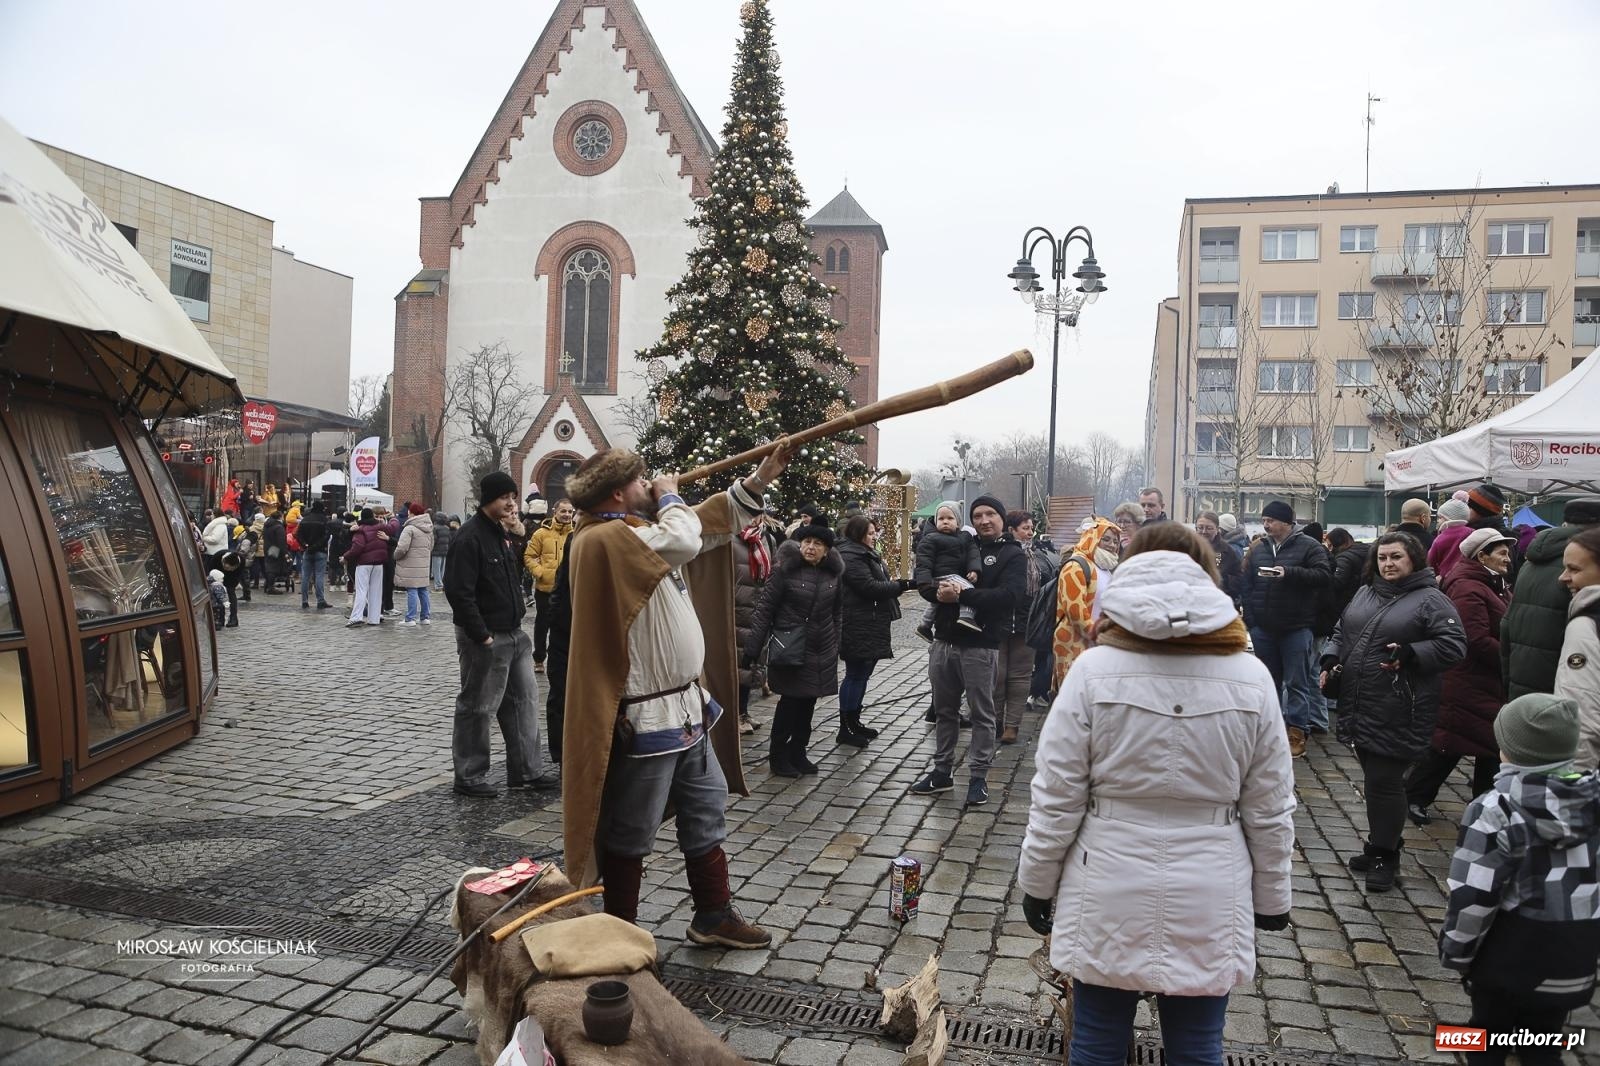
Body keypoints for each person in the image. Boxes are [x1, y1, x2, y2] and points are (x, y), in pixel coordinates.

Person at [1018, 524, 1295, 1066]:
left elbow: (1056, 793)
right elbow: (1270, 805)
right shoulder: (1251, 676)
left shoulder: (1094, 670)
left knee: (1097, 1040)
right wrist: (1273, 898)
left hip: (1108, 878)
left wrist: (1037, 882)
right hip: (1212, 881)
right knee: (1197, 1046)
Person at [562, 445, 793, 951]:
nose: (653, 485)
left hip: (688, 705)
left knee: (705, 808)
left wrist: (755, 482)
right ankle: (619, 931)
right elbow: (685, 537)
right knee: (632, 829)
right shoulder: (602, 539)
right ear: (621, 492)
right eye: (643, 481)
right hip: (645, 712)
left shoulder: (639, 533)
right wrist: (667, 496)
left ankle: (713, 914)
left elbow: (704, 524)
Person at [1439, 693, 1600, 1066]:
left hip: (1509, 959)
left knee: (1483, 1039)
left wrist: (1457, 951)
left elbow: (1473, 895)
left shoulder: (1495, 810)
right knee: (1542, 1043)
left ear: (1509, 751)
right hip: (1574, 957)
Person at [1322, 532, 1466, 891]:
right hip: (1360, 700)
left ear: (1413, 560)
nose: (1388, 564)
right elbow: (1342, 629)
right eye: (1383, 557)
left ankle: (1386, 854)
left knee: (1384, 783)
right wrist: (1330, 656)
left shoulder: (1431, 599)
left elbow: (1454, 645)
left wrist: (1412, 653)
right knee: (1375, 781)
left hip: (1402, 704)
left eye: (1396, 557)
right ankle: (1381, 843)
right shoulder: (1366, 591)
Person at [910, 494, 1027, 807]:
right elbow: (928, 580)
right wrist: (937, 592)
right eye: (978, 515)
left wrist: (963, 597)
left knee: (981, 714)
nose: (984, 520)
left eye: (991, 514)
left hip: (981, 644)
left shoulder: (1011, 554)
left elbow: (1011, 596)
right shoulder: (958, 542)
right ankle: (942, 771)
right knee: (944, 712)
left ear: (1002, 519)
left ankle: (978, 777)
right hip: (944, 641)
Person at [443, 472, 547, 798]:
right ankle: (470, 777)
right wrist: (482, 636)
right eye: (505, 497)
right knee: (477, 707)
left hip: (514, 634)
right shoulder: (469, 537)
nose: (512, 503)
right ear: (489, 499)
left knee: (525, 703)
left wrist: (518, 534)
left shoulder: (500, 533)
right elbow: (458, 592)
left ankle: (526, 772)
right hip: (486, 637)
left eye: (513, 497)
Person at [1405, 529, 1516, 824]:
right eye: (1501, 552)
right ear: (1482, 555)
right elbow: (1474, 638)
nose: (1508, 558)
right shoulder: (1469, 586)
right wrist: (1511, 658)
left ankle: (1482, 805)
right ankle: (1414, 795)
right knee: (1449, 743)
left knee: (1486, 744)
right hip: (1467, 678)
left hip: (1485, 680)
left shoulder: (1494, 583)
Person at [746, 521, 844, 775]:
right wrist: (753, 648)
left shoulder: (833, 574)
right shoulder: (783, 571)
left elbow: (837, 612)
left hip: (821, 648)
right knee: (790, 703)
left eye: (818, 544)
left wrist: (835, 642)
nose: (811, 547)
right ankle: (778, 757)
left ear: (827, 550)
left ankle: (798, 753)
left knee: (808, 704)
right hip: (790, 646)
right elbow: (765, 609)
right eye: (807, 542)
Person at [1240, 500, 1331, 760]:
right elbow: (1247, 582)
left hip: (1296, 627)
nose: (1266, 525)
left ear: (1287, 523)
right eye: (1264, 520)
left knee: (1297, 682)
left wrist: (1288, 573)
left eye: (1271, 520)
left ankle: (1296, 732)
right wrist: (1253, 619)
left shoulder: (1309, 546)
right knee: (1269, 683)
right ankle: (1270, 730)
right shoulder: (1258, 548)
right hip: (1264, 628)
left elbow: (1324, 576)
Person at [1503, 498, 1600, 700]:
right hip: (1567, 697)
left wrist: (1509, 686)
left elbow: (1506, 627)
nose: (1564, 576)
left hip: (1525, 692)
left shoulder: (1530, 564)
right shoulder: (1586, 568)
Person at [837, 515, 910, 748]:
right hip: (857, 622)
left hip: (869, 621)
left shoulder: (865, 552)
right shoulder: (851, 554)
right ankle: (846, 727)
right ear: (858, 533)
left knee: (863, 673)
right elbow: (869, 587)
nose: (874, 536)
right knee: (855, 674)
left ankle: (854, 721)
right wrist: (903, 585)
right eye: (870, 533)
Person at [1050, 517, 1120, 693]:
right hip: (1075, 642)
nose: (1112, 545)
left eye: (1115, 541)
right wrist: (1099, 636)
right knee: (1073, 697)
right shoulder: (1076, 566)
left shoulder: (1106, 569)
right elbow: (1075, 611)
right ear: (1093, 537)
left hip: (1098, 644)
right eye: (1106, 539)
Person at [733, 512, 779, 735]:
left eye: (756, 514)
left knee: (751, 665)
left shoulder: (766, 539)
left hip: (759, 611)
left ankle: (743, 711)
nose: (752, 518)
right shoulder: (730, 539)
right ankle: (735, 715)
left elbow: (773, 574)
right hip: (736, 611)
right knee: (736, 665)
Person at [1558, 526, 1600, 769]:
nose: (1562, 577)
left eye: (1574, 569)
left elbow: (1580, 713)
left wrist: (1573, 782)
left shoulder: (1587, 625)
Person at [914, 503, 981, 639]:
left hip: (951, 575)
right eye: (941, 519)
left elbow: (973, 553)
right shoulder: (930, 538)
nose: (945, 521)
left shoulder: (965, 536)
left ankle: (924, 626)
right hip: (943, 575)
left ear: (958, 522)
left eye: (950, 518)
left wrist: (974, 569)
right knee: (968, 589)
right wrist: (924, 582)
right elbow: (924, 562)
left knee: (937, 602)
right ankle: (966, 616)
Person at [523, 498, 574, 673]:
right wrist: (540, 572)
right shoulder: (541, 534)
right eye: (563, 511)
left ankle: (562, 658)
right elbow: (529, 556)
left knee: (565, 625)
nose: (567, 515)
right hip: (546, 588)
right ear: (555, 512)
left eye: (570, 512)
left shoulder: (576, 533)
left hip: (568, 589)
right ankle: (539, 657)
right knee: (542, 624)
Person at [343, 509, 390, 627]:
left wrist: (345, 557)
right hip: (379, 563)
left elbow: (357, 547)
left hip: (364, 563)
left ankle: (356, 617)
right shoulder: (381, 527)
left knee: (361, 590)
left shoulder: (361, 529)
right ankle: (374, 618)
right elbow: (393, 527)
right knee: (376, 591)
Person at [394, 503, 435, 627]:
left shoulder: (409, 528)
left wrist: (395, 556)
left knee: (411, 589)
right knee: (423, 590)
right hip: (423, 564)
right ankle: (425, 617)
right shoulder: (429, 528)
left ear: (411, 513)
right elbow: (431, 546)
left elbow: (402, 548)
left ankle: (410, 618)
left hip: (409, 564)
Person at [1194, 510, 1243, 604]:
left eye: (1209, 528)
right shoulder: (1187, 547)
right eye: (1200, 527)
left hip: (1218, 602)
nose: (1204, 532)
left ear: (1217, 529)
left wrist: (1224, 588)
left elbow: (1238, 578)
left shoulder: (1227, 551)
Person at [296, 501, 332, 610]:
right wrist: (316, 546)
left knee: (305, 576)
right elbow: (326, 536)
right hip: (320, 551)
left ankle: (304, 601)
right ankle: (320, 600)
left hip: (307, 551)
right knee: (319, 575)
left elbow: (298, 535)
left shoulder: (305, 519)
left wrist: (305, 545)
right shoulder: (324, 520)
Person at [1427, 497, 1474, 579]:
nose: (1437, 520)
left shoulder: (1440, 538)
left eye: (1440, 517)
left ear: (1449, 518)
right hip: (1468, 576)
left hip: (1445, 579)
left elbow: (1431, 560)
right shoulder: (1473, 533)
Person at [430, 511, 453, 590]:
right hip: (445, 551)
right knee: (442, 570)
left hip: (436, 551)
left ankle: (438, 585)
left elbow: (434, 540)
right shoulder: (447, 528)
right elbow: (449, 539)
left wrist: (430, 548)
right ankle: (442, 584)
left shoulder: (435, 528)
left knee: (436, 570)